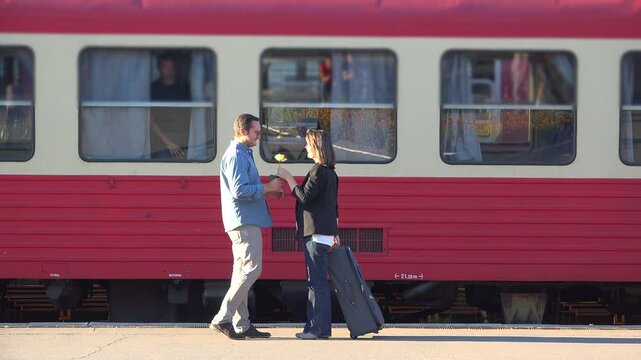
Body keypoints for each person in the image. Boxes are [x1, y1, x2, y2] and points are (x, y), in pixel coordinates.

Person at [210, 113, 284, 340]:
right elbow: (240, 190)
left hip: (244, 219)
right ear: (243, 131)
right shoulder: (236, 156)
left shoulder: (242, 154)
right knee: (252, 270)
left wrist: (268, 189)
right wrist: (266, 187)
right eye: (256, 132)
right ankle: (222, 318)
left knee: (240, 272)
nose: (259, 137)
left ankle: (242, 324)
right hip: (243, 221)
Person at [277, 129, 340, 340]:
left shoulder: (318, 172)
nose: (305, 148)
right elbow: (333, 207)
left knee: (316, 284)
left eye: (307, 144)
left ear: (315, 146)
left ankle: (315, 329)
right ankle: (321, 329)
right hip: (325, 233)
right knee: (320, 283)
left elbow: (303, 197)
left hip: (314, 234)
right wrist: (335, 232)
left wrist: (288, 179)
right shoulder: (331, 173)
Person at [150, 52, 191, 159]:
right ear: (159, 69)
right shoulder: (154, 89)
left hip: (183, 138)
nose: (168, 70)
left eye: (171, 66)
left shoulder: (183, 88)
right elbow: (150, 120)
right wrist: (168, 143)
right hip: (161, 141)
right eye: (165, 67)